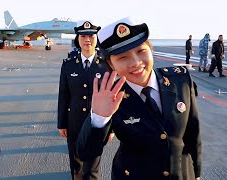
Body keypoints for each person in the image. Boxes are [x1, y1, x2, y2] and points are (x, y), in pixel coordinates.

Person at [76, 17, 201, 180]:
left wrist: (197, 174)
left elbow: (193, 134)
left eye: (141, 51)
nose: (135, 62)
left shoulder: (181, 80)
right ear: (111, 65)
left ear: (150, 49)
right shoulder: (110, 96)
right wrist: (99, 118)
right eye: (122, 57)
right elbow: (85, 152)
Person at [58, 20, 113, 180]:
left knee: (92, 167)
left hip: (97, 122)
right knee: (76, 166)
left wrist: (111, 128)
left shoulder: (106, 64)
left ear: (96, 38)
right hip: (74, 120)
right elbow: (64, 95)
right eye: (83, 36)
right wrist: (61, 123)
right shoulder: (68, 64)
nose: (87, 39)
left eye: (91, 36)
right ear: (78, 39)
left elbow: (112, 97)